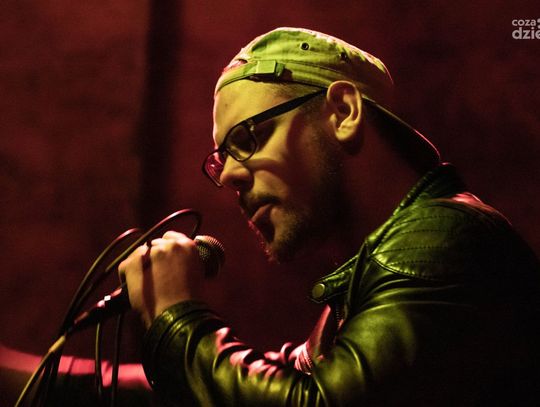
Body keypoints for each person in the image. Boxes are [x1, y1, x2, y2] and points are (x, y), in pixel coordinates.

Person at [2, 26, 539, 406]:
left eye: (248, 137)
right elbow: (270, 381)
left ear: (343, 112)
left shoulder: (444, 236)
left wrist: (176, 315)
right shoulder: (388, 260)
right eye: (221, 158)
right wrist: (24, 379)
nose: (230, 177)